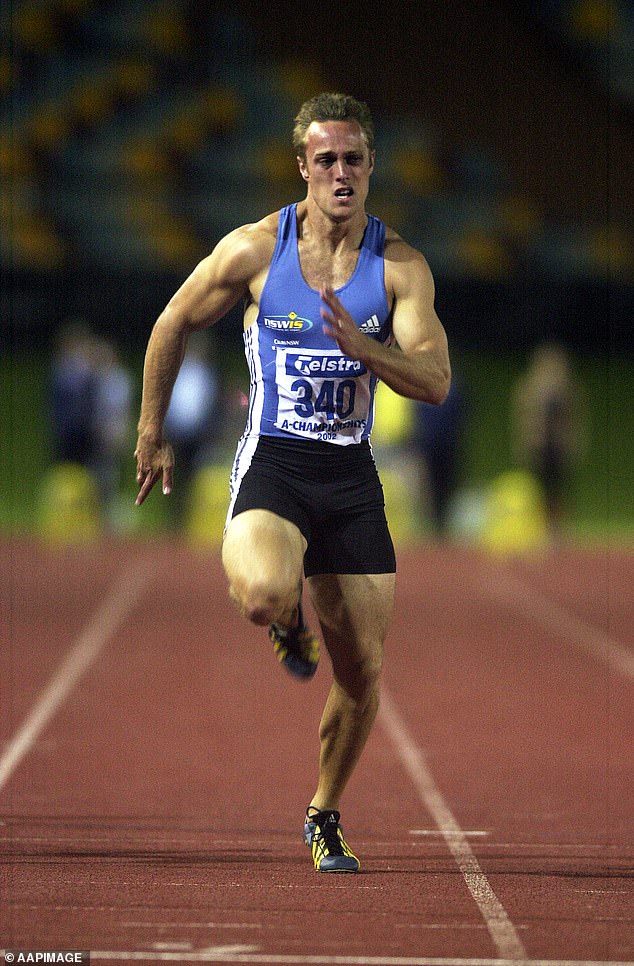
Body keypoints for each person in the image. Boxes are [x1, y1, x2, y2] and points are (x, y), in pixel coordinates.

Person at [135, 92, 450, 872]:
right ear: (303, 168)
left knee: (364, 671)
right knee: (264, 594)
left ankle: (323, 811)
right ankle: (287, 621)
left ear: (372, 168)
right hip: (274, 460)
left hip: (349, 473)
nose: (340, 173)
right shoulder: (254, 251)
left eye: (353, 160)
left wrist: (365, 348)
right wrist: (151, 430)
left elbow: (436, 380)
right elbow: (173, 320)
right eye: (326, 160)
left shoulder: (400, 268)